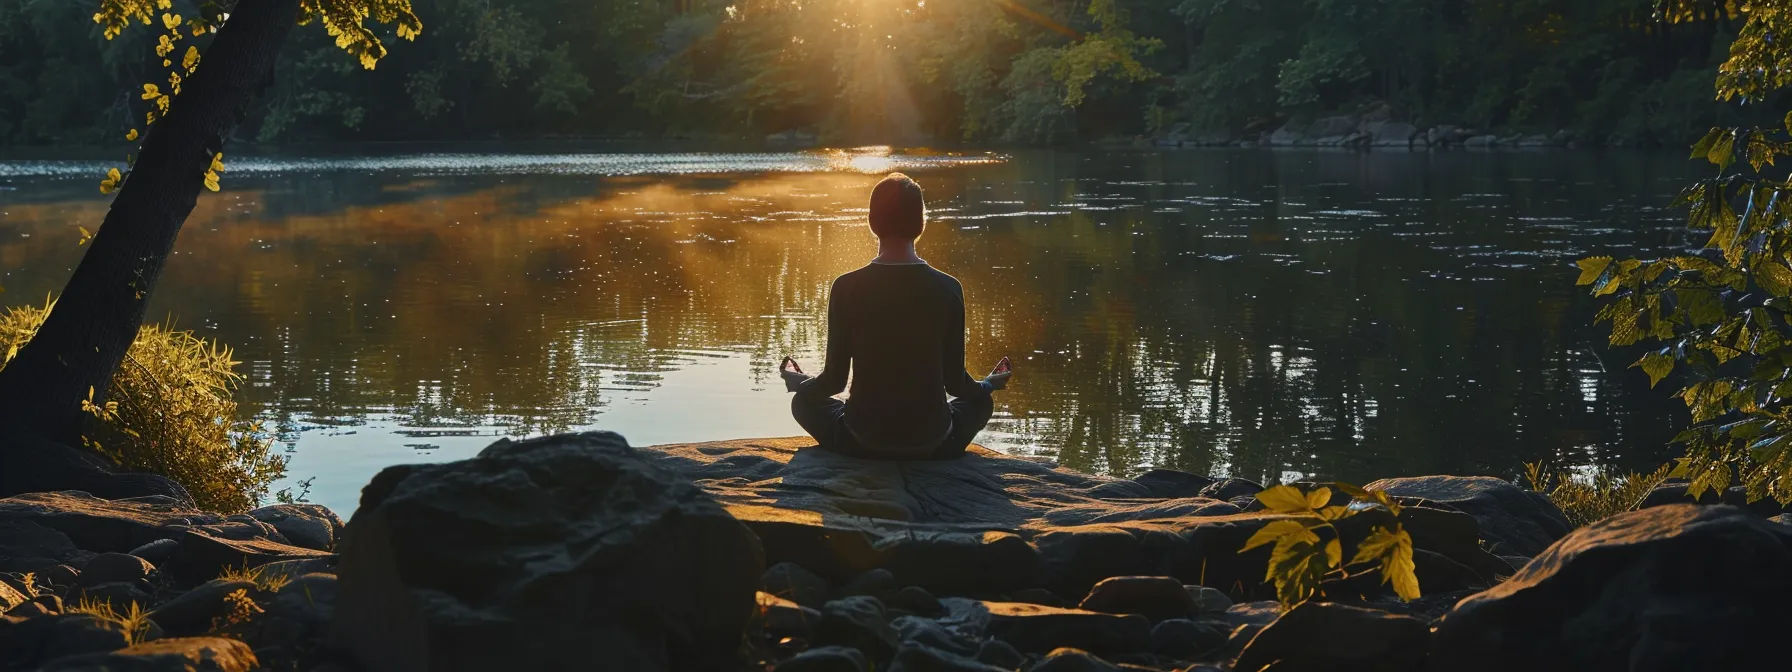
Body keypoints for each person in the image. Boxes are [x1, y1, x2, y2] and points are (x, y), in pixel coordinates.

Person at [781, 173, 1011, 460]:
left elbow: (834, 383)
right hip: (933, 440)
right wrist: (989, 384)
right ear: (921, 223)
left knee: (803, 403)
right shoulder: (948, 287)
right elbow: (956, 385)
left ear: (871, 222)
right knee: (981, 404)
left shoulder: (846, 287)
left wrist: (799, 382)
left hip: (862, 439)